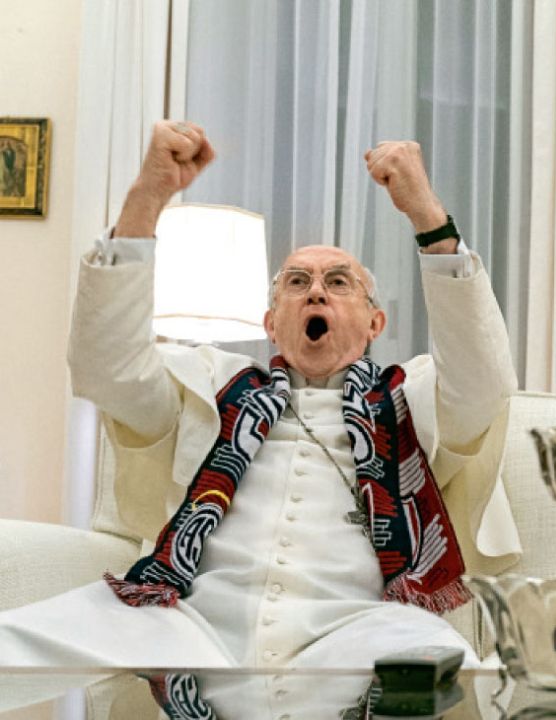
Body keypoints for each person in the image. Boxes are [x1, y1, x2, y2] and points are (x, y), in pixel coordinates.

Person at [0, 120, 519, 686]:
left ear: (376, 323)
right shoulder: (210, 386)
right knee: (17, 642)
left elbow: (484, 381)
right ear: (271, 323)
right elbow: (108, 369)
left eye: (338, 282)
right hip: (190, 620)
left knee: (445, 679)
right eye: (297, 282)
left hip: (358, 626)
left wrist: (427, 216)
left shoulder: (410, 397)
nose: (315, 290)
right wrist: (146, 198)